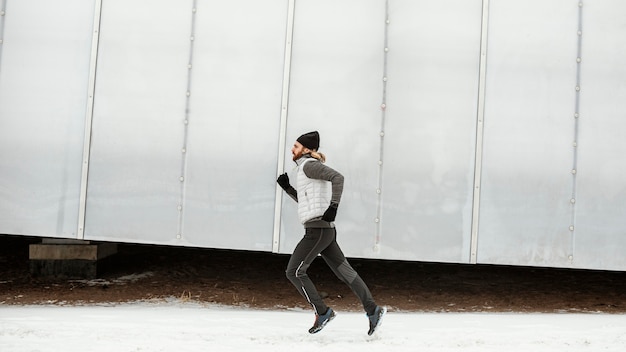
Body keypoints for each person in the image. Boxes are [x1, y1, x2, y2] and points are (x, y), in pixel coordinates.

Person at [276, 131, 386, 335]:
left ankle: (323, 312)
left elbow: (338, 178)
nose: (293, 149)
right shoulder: (305, 169)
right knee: (346, 272)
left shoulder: (309, 165)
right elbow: (308, 202)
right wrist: (288, 189)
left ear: (307, 150)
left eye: (296, 146)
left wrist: (333, 207)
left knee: (294, 271)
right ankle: (373, 310)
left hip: (317, 230)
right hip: (324, 231)